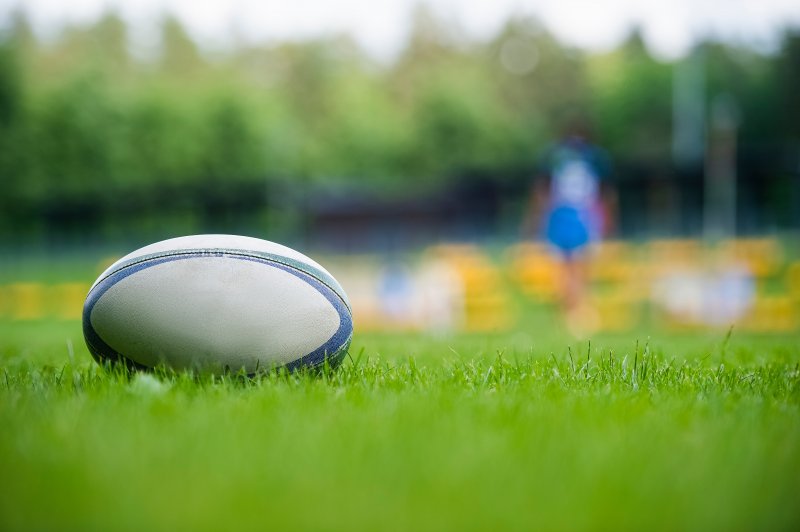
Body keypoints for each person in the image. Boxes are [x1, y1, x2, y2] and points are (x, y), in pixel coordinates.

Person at [523, 118, 615, 329]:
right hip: (576, 216)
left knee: (570, 268)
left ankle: (573, 312)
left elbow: (540, 192)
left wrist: (535, 220)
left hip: (571, 216)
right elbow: (606, 194)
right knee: (575, 269)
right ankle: (574, 312)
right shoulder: (592, 157)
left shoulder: (558, 156)